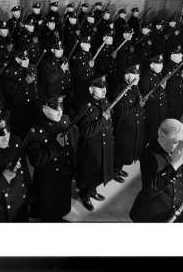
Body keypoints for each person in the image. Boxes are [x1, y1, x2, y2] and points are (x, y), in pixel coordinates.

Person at [27, 95, 76, 222]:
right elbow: (35, 160)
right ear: (44, 110)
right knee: (48, 208)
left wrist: (73, 167)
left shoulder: (65, 120)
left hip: (64, 171)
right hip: (47, 177)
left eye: (61, 108)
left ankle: (59, 216)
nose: (60, 112)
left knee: (62, 201)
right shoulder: (36, 131)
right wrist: (55, 146)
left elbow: (72, 147)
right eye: (55, 109)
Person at [129, 119, 183, 222]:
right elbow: (152, 188)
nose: (180, 147)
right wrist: (174, 164)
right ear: (163, 139)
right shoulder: (150, 155)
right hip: (153, 214)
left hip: (170, 207)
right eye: (177, 142)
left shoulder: (171, 148)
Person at [76, 74, 114, 211]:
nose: (104, 90)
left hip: (104, 143)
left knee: (98, 171)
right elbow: (86, 131)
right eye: (100, 87)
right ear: (91, 89)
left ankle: (93, 191)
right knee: (88, 173)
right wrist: (102, 120)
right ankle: (85, 195)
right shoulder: (85, 106)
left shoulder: (104, 100)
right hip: (91, 147)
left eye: (104, 87)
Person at [112, 64, 147, 183]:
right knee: (121, 151)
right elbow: (121, 114)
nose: (138, 77)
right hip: (124, 128)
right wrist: (137, 107)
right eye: (135, 75)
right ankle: (115, 171)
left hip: (133, 126)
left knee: (128, 150)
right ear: (127, 77)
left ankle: (119, 168)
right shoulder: (120, 91)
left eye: (138, 75)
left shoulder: (135, 88)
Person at [5, 49, 39, 138]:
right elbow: (11, 91)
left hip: (32, 103)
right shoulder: (11, 71)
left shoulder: (33, 68)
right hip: (19, 105)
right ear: (17, 59)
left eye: (27, 59)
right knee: (20, 129)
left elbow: (36, 87)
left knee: (32, 127)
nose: (26, 61)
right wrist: (25, 82)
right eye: (23, 59)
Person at [139, 54, 168, 142]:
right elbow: (148, 97)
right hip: (152, 109)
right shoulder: (146, 78)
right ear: (152, 65)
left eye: (162, 64)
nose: (162, 66)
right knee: (153, 130)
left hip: (160, 106)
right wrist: (161, 89)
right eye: (159, 64)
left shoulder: (158, 74)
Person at [163, 48, 183, 120]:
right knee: (172, 112)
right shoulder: (167, 67)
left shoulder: (177, 64)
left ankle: (177, 122)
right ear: (172, 56)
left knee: (178, 110)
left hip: (178, 92)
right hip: (172, 95)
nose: (181, 55)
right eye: (179, 54)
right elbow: (169, 85)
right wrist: (181, 79)